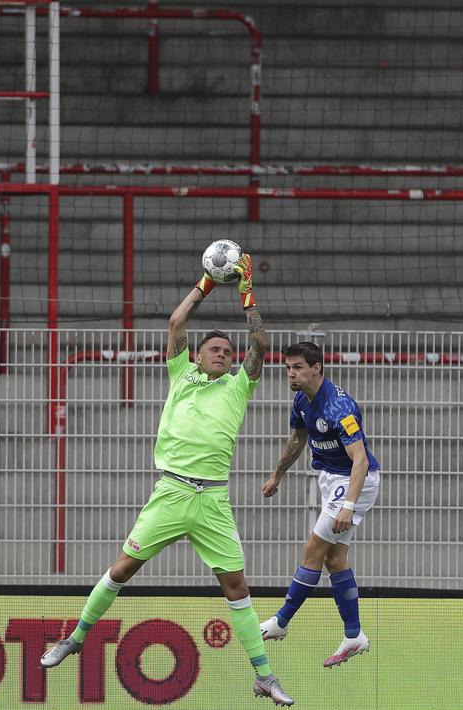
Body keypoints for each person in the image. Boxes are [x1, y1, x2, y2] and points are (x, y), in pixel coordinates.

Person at [40, 254, 294, 706]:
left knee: (237, 588)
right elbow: (177, 321)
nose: (224, 355)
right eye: (215, 350)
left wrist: (245, 288)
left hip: (212, 500)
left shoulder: (238, 386)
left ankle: (264, 676)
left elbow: (259, 343)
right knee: (122, 569)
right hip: (172, 491)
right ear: (196, 356)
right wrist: (207, 282)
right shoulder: (182, 375)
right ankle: (76, 637)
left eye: (228, 352)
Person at [258, 340, 380, 668]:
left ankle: (281, 622)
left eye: (297, 368)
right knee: (335, 559)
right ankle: (353, 635)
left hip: (355, 481)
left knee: (313, 550)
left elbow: (360, 461)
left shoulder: (340, 407)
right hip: (330, 479)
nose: (291, 374)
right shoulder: (301, 401)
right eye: (288, 368)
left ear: (317, 368)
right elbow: (297, 441)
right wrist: (277, 476)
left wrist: (349, 505)